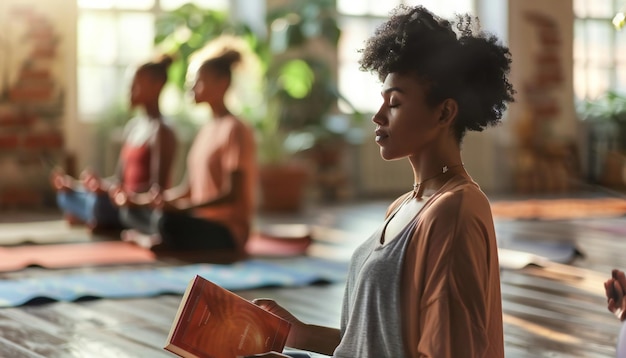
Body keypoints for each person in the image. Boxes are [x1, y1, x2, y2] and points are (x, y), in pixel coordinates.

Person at [248, 5, 515, 357]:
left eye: (396, 103)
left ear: (444, 112)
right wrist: (299, 335)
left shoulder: (454, 213)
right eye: (382, 101)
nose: (377, 116)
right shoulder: (404, 206)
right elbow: (371, 344)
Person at [112, 49, 257, 253]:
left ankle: (151, 240)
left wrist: (182, 209)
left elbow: (231, 194)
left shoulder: (236, 129)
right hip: (196, 219)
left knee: (166, 222)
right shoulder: (205, 130)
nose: (191, 87)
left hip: (226, 231)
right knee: (131, 211)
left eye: (198, 81)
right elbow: (188, 190)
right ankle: (157, 240)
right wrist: (145, 201)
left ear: (222, 83)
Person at [51, 55, 177, 232]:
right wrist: (86, 185)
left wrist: (122, 196)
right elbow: (119, 180)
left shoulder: (162, 131)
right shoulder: (133, 127)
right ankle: (92, 214)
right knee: (66, 196)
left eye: (135, 85)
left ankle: (94, 216)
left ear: (157, 86)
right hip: (118, 199)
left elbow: (157, 190)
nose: (129, 91)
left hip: (136, 205)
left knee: (98, 205)